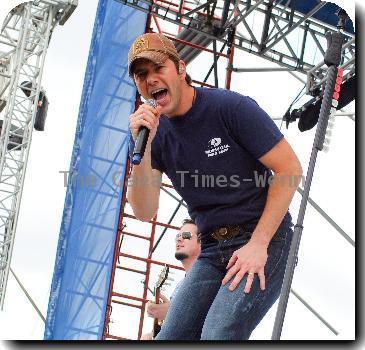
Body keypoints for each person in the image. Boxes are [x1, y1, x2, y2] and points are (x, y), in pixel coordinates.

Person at [127, 33, 303, 340]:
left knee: (218, 334)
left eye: (158, 69)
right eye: (141, 75)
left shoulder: (230, 108)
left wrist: (259, 243)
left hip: (266, 239)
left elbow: (289, 169)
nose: (150, 80)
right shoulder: (156, 135)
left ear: (181, 68)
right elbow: (144, 211)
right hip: (212, 249)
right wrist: (144, 149)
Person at [141, 218, 201, 340]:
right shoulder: (181, 285)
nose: (179, 239)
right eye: (177, 236)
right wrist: (151, 335)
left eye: (186, 235)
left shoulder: (212, 278)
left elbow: (213, 319)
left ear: (202, 242)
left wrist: (170, 313)